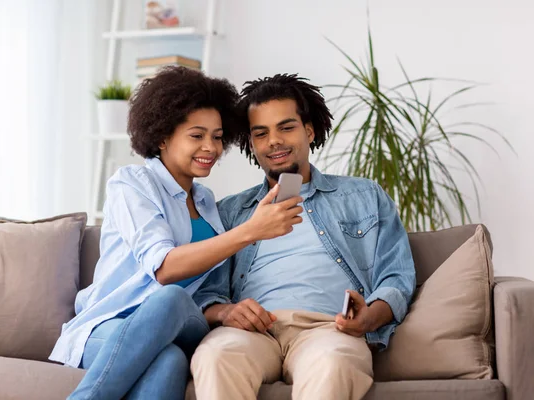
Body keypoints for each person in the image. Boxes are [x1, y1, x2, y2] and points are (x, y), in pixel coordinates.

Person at [49, 67, 303, 400]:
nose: (210, 147)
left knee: (173, 303)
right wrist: (249, 231)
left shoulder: (208, 203)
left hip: (183, 323)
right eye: (196, 136)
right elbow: (164, 269)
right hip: (113, 324)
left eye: (216, 136)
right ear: (163, 136)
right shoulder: (132, 185)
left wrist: (223, 310)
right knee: (168, 359)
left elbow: (205, 291)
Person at [190, 74, 417, 400]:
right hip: (252, 333)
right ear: (252, 144)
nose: (274, 142)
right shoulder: (228, 212)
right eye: (261, 133)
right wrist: (224, 312)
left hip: (327, 330)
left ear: (308, 130)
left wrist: (369, 318)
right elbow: (204, 293)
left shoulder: (363, 195)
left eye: (286, 127)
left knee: (333, 363)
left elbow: (396, 276)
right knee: (214, 357)